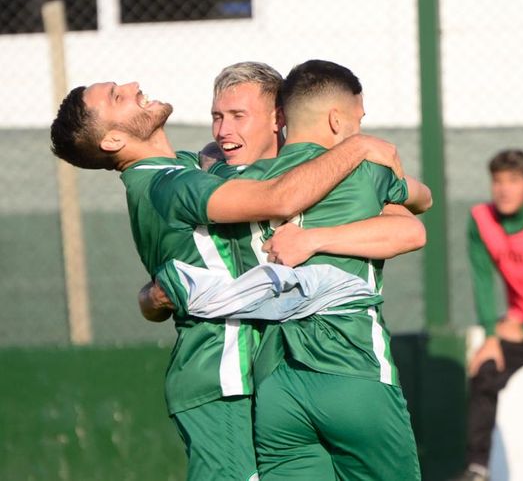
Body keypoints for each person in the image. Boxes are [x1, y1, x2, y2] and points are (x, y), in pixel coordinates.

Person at [49, 80, 408, 481]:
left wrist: (150, 298)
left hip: (260, 378)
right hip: (219, 379)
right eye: (117, 96)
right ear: (114, 139)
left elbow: (162, 293)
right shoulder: (168, 184)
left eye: (238, 116)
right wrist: (357, 147)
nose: (133, 86)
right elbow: (279, 198)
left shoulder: (180, 170)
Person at [214, 59, 431, 480]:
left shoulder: (241, 185)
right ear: (337, 120)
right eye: (359, 118)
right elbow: (419, 211)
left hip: (276, 385)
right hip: (352, 367)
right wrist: (375, 157)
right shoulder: (365, 172)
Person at [454, 149, 523, 481]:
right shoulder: (480, 219)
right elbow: (482, 279)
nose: (504, 189)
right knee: (483, 372)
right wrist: (490, 336)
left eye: (513, 181)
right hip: (517, 325)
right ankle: (477, 468)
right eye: (498, 181)